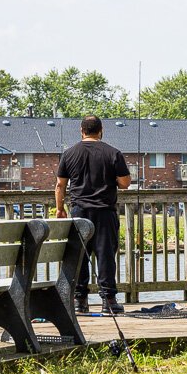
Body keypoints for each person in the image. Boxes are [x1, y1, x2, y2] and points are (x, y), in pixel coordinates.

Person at [55, 115, 131, 314]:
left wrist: (60, 208)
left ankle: (80, 300)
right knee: (105, 254)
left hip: (79, 211)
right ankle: (109, 301)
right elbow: (124, 183)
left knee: (80, 255)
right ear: (101, 130)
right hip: (105, 211)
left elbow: (60, 185)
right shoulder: (113, 153)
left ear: (82, 130)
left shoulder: (69, 154)